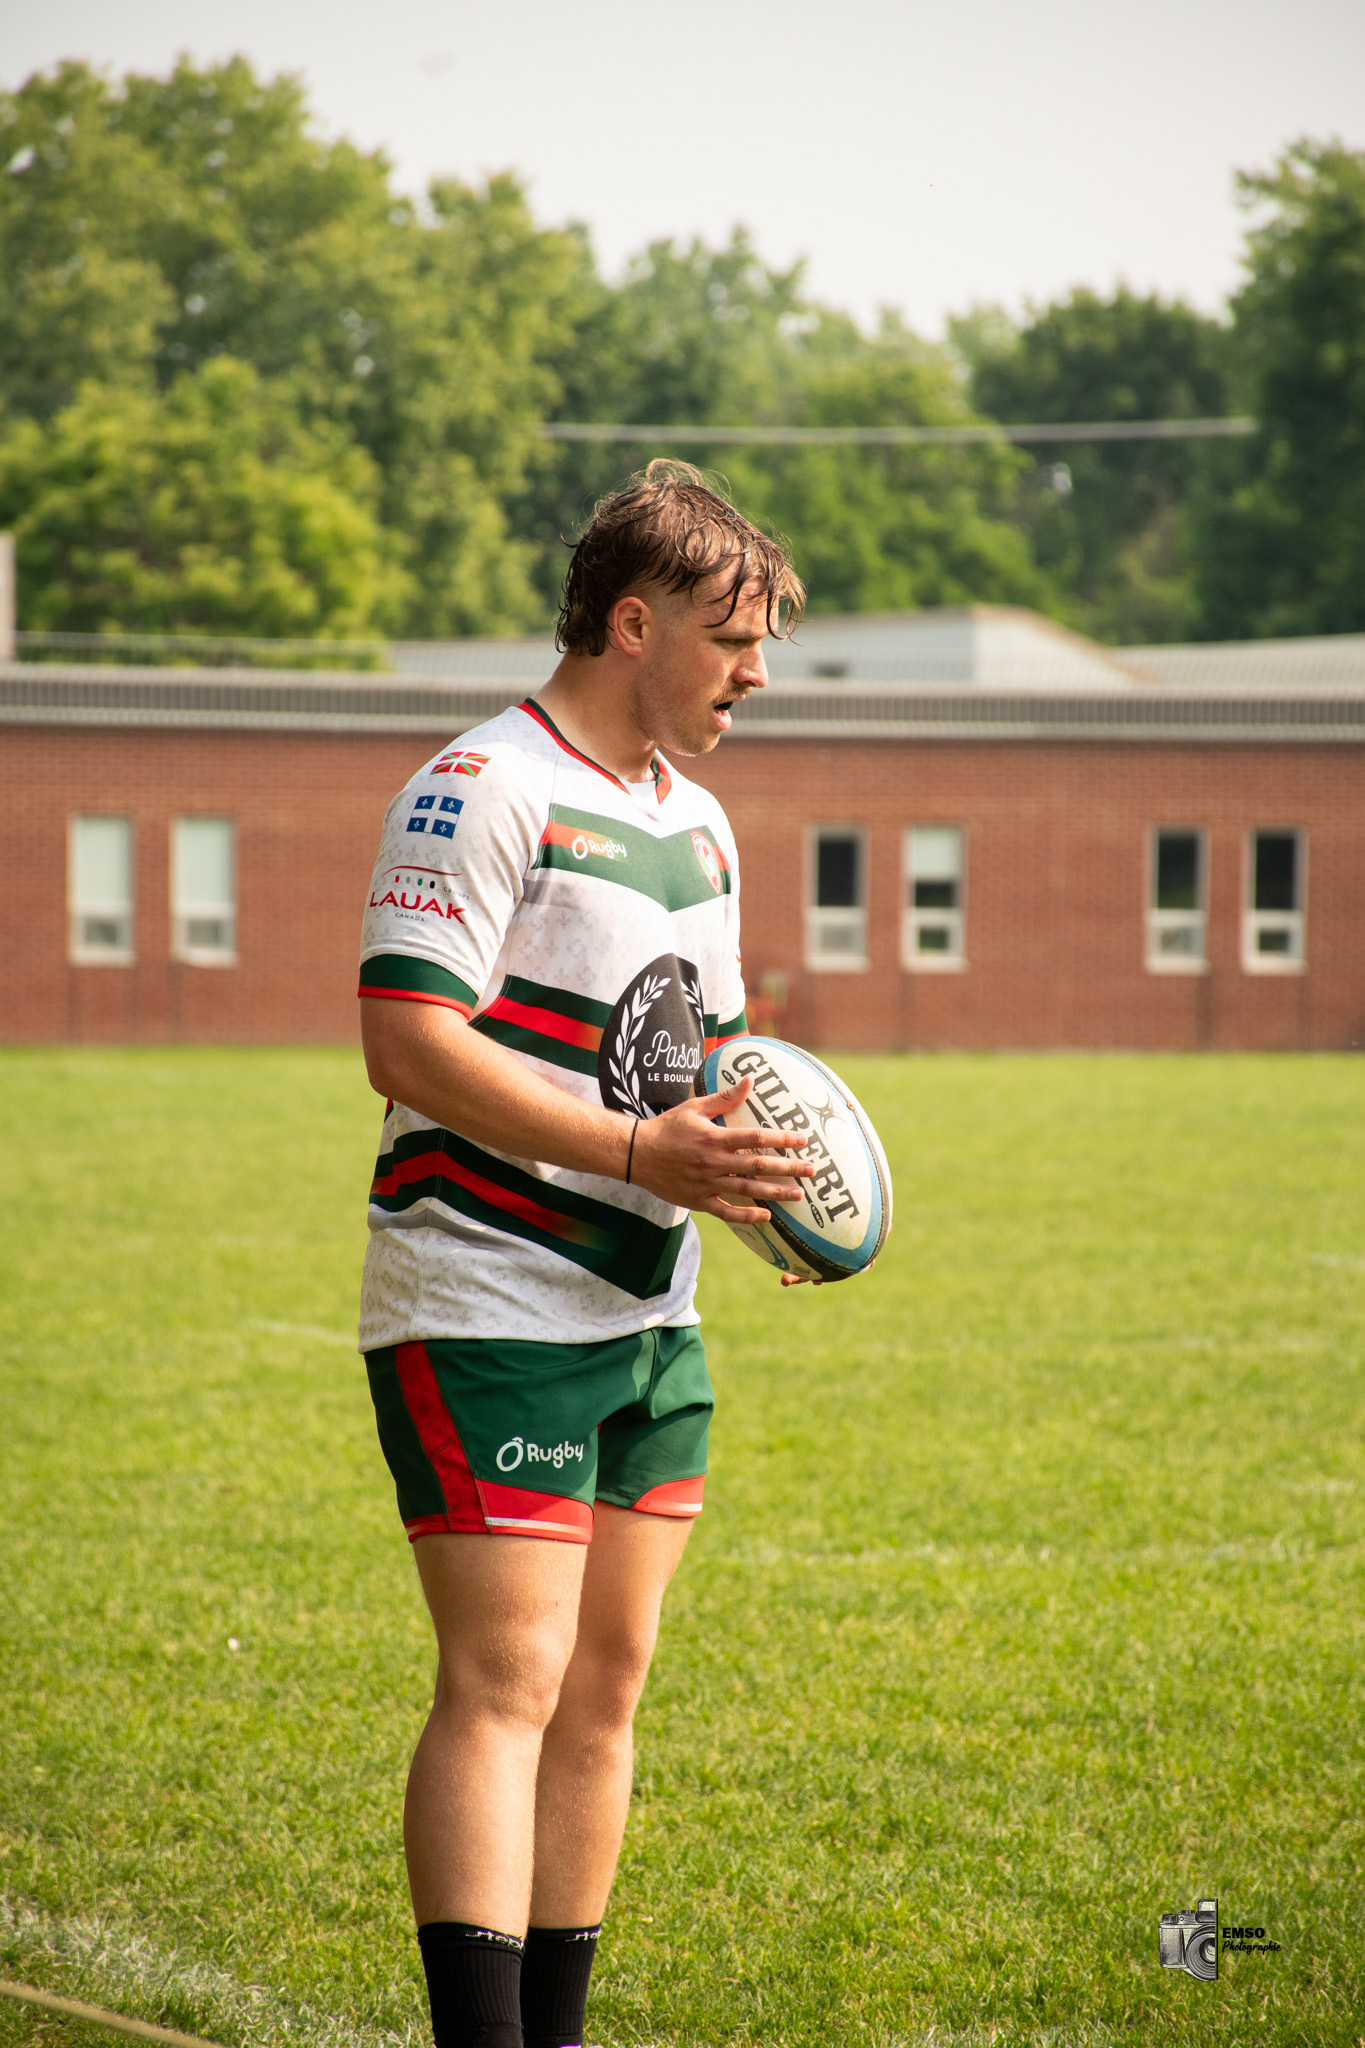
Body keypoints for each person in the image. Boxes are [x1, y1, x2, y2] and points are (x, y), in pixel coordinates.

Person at [357, 462, 812, 2048]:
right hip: (487, 1298)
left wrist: (761, 1188)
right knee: (508, 1682)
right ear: (633, 625)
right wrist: (633, 1154)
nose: (755, 675)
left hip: (648, 1313)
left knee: (605, 1685)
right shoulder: (479, 786)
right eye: (732, 641)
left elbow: (703, 1062)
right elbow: (405, 1044)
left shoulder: (699, 824)